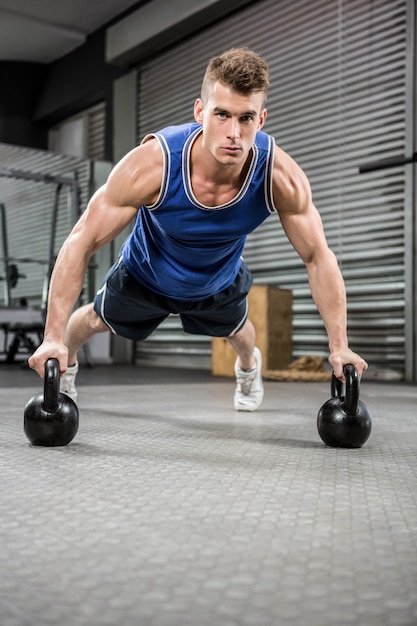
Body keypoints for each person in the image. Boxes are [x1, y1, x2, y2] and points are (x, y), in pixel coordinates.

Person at [28, 47, 368, 411]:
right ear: (200, 111)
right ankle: (67, 364)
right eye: (221, 114)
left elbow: (318, 257)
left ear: (262, 119)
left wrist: (339, 345)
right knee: (95, 318)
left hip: (217, 278)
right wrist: (51, 338)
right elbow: (80, 242)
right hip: (146, 272)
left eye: (246, 118)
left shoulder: (280, 178)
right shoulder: (152, 166)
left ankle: (248, 369)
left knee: (239, 332)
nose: (233, 133)